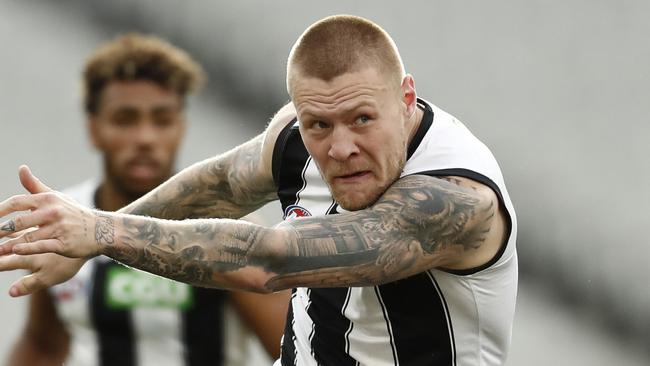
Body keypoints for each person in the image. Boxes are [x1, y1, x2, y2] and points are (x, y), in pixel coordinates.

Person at [0, 15, 518, 366]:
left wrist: (101, 229)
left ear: (405, 98)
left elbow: (271, 263)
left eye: (362, 119)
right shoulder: (297, 138)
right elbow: (223, 183)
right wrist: (78, 240)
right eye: (319, 124)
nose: (340, 148)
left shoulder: (454, 199)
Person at [2, 33, 288, 366]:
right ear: (94, 129)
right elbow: (43, 345)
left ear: (180, 127)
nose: (145, 138)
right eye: (126, 120)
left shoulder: (226, 228)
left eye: (162, 120)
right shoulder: (62, 224)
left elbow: (289, 347)